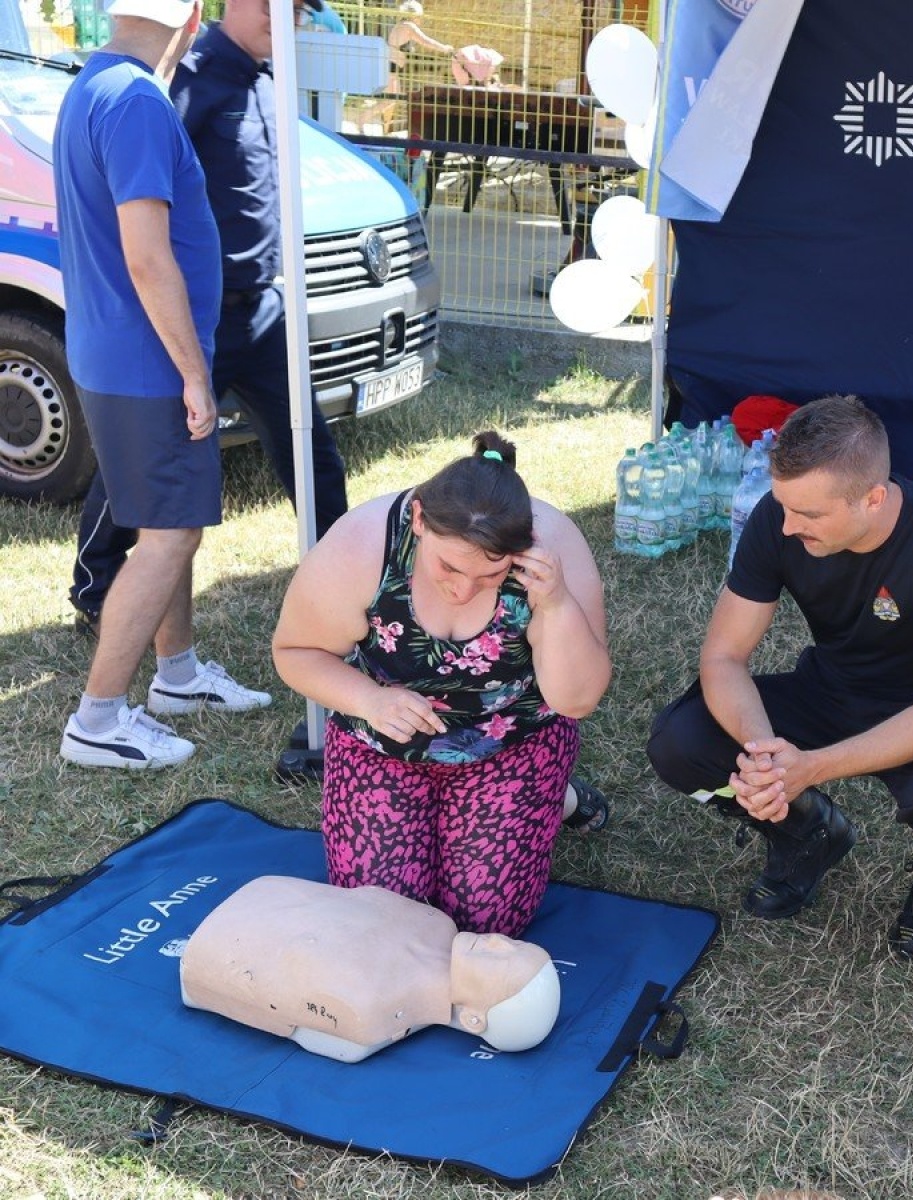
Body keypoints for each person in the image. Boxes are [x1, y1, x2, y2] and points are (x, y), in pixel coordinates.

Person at [646, 396, 913, 961]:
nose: (788, 526)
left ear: (874, 498)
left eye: (809, 515)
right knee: (680, 742)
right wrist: (766, 757)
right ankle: (809, 832)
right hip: (831, 687)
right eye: (785, 506)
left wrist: (810, 767)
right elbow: (723, 658)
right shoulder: (778, 517)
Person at [68, 0, 352, 641]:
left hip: (261, 310)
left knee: (311, 453)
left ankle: (344, 579)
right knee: (141, 468)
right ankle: (97, 586)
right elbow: (145, 205)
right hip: (196, 322)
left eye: (303, 16)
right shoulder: (181, 81)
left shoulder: (267, 83)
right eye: (285, 11)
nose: (294, 25)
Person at [272, 431, 612, 937]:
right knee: (380, 918)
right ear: (419, 520)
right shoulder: (364, 544)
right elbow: (295, 652)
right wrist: (370, 699)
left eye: (490, 575)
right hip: (382, 741)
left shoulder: (552, 549)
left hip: (511, 743)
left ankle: (558, 799)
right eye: (448, 566)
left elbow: (577, 700)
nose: (461, 588)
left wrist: (557, 603)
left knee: (487, 920)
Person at [53, 0, 273, 771]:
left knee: (168, 519)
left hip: (114, 352)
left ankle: (176, 676)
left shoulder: (94, 83)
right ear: (190, 16)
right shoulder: (139, 100)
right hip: (146, 361)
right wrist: (191, 373)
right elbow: (147, 255)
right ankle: (98, 719)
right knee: (172, 533)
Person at [181, 875, 560, 1062]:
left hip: (220, 947)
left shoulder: (371, 1010)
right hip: (264, 904)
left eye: (502, 960)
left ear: (475, 1020)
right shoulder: (436, 922)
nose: (496, 940)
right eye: (513, 944)